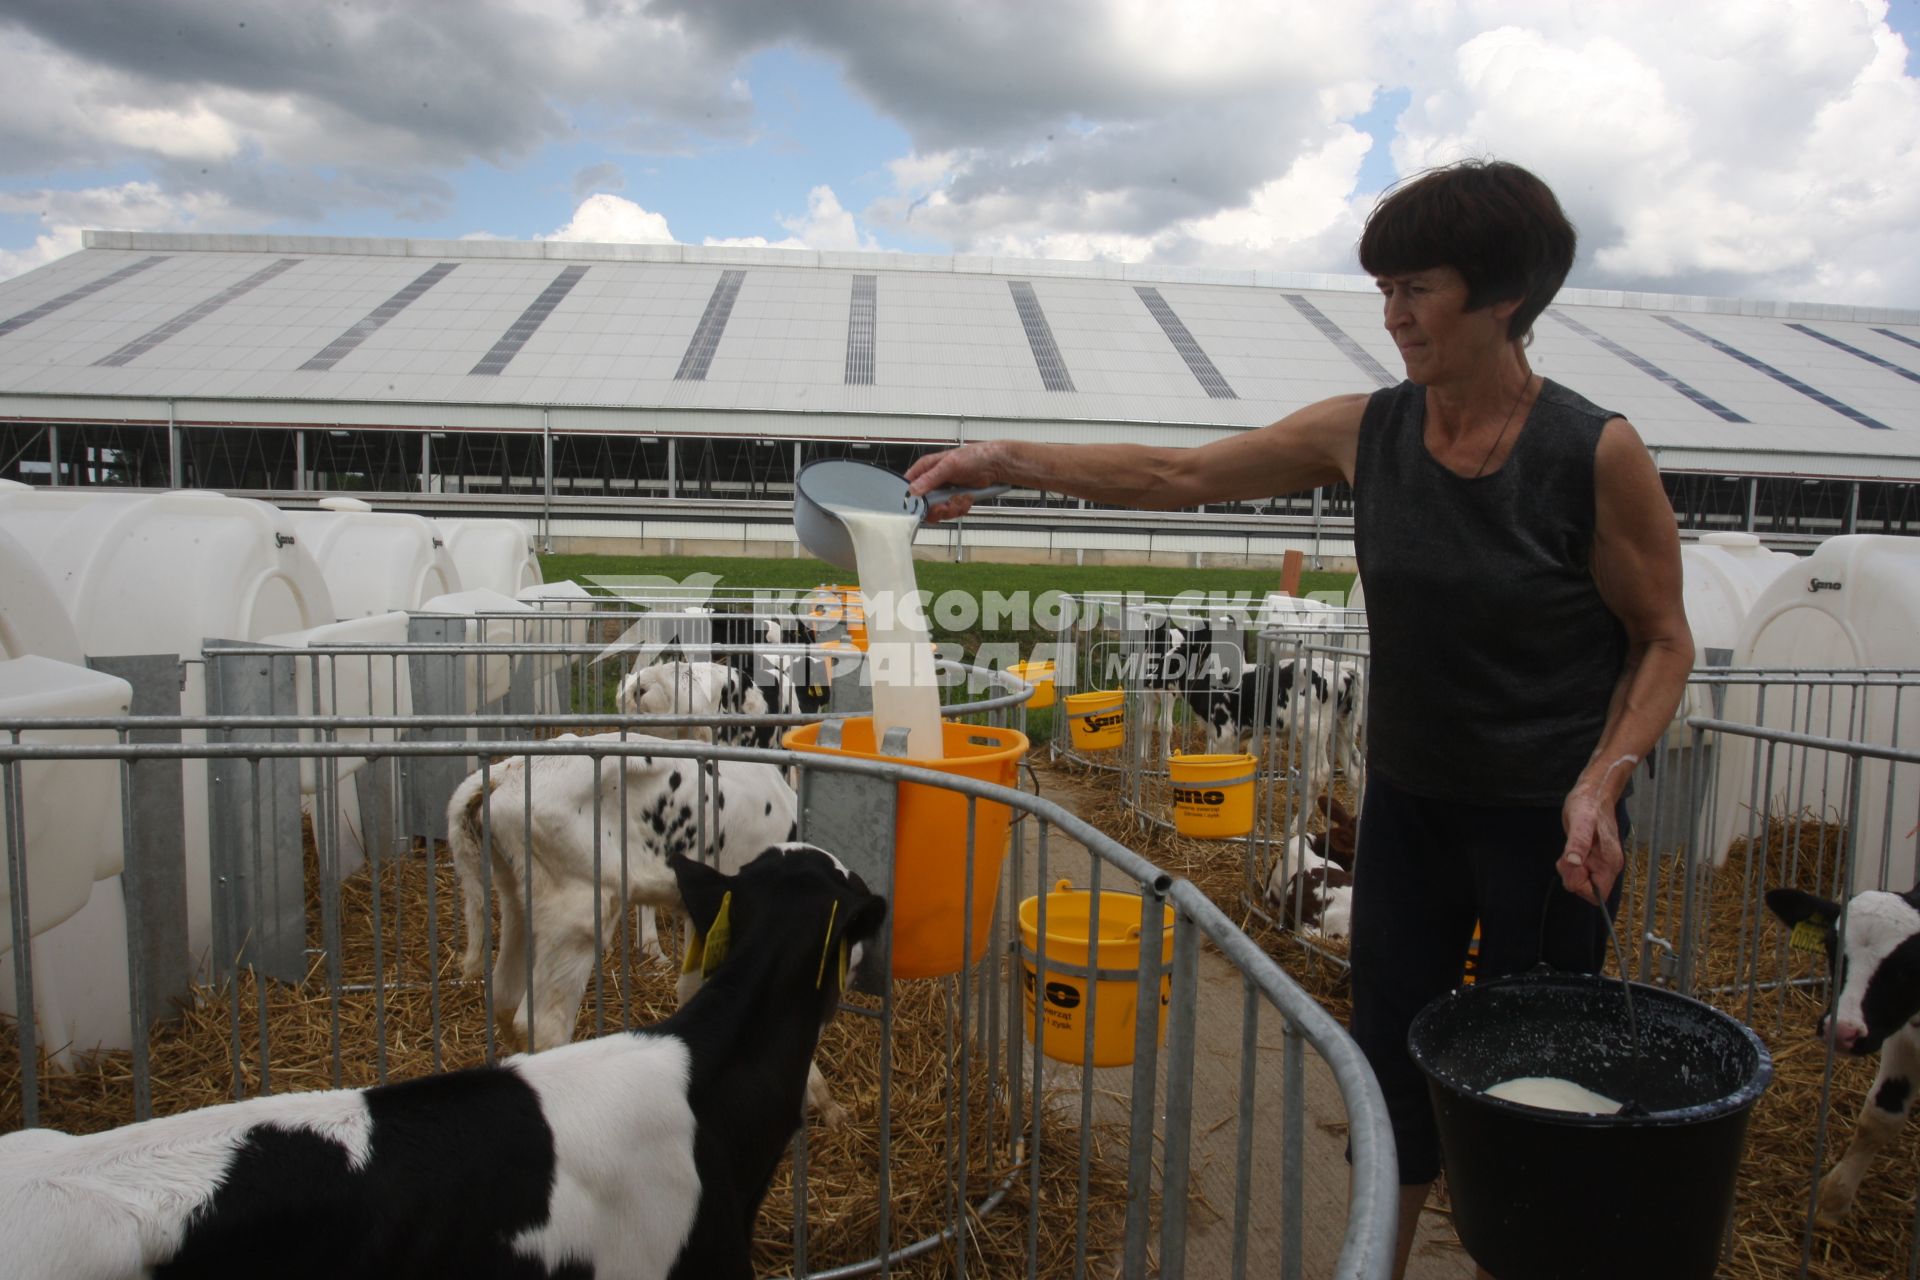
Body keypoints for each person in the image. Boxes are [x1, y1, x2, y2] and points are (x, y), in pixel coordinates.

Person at [906, 158, 1692, 1280]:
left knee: (1531, 1077)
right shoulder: (1363, 430)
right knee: (1384, 1060)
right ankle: (1376, 1252)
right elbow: (1176, 472)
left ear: (1505, 296)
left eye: (1420, 287)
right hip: (1410, 809)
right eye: (1386, 287)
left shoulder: (1591, 452)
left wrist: (1603, 777)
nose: (1394, 314)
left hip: (1548, 827)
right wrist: (1002, 456)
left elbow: (1664, 637)